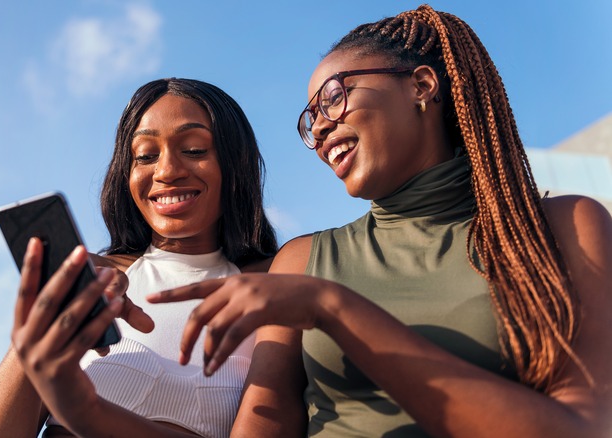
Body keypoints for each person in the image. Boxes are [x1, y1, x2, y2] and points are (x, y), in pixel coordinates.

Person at [147, 5, 612, 437]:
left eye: (333, 97)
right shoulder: (303, 260)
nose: (321, 127)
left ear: (422, 86)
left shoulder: (565, 228)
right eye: (310, 120)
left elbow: (584, 428)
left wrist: (333, 307)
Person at [0, 78, 278, 437]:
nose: (167, 171)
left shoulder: (274, 286)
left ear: (236, 162)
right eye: (145, 156)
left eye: (195, 149)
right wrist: (38, 334)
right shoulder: (95, 279)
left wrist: (86, 411)